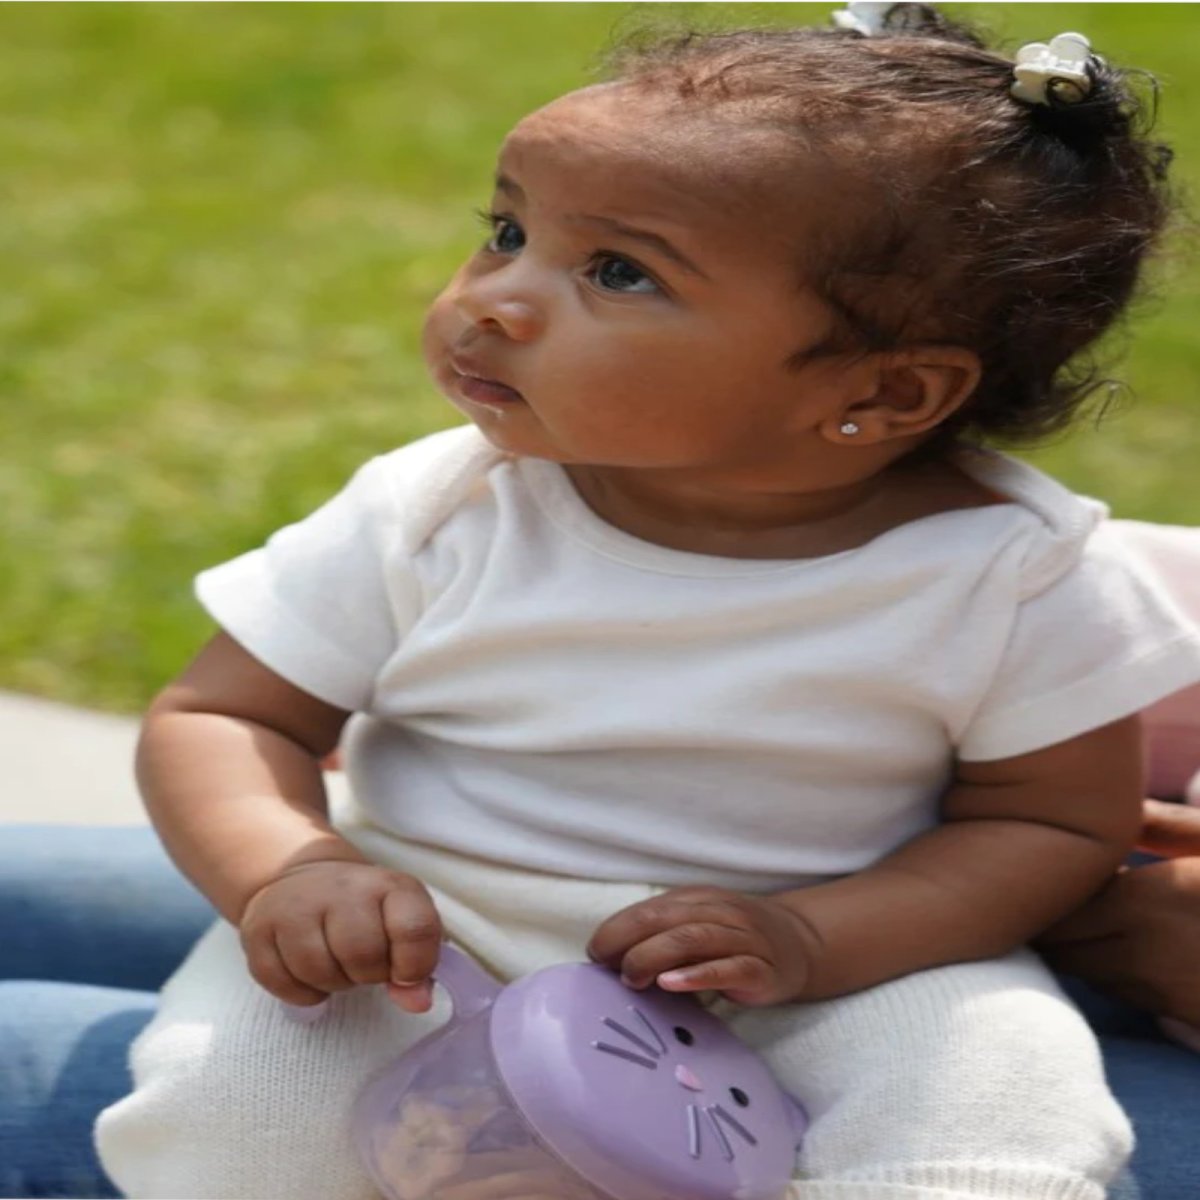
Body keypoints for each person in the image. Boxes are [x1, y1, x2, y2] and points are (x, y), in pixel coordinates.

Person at [77, 5, 1200, 1199]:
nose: (496, 299)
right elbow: (226, 715)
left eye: (618, 272)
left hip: (828, 959)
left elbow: (1050, 827)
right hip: (427, 928)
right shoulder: (445, 508)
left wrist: (815, 939)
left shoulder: (1012, 573)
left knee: (1004, 1116)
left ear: (887, 393)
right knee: (232, 1114)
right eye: (507, 231)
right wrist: (289, 875)